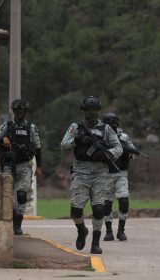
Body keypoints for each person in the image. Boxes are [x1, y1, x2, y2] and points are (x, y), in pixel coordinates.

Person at [60, 96, 122, 254]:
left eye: (94, 110)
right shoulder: (76, 127)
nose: (91, 113)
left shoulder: (106, 129)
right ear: (84, 110)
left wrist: (107, 154)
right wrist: (78, 140)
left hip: (100, 174)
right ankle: (82, 230)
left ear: (98, 110)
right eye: (88, 109)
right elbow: (63, 144)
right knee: (75, 211)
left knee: (99, 209)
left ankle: (95, 242)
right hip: (80, 173)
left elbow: (118, 147)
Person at [0, 99, 42, 235]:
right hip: (8, 166)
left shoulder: (31, 128)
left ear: (25, 112)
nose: (19, 113)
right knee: (6, 195)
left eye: (21, 111)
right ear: (14, 111)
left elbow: (38, 147)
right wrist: (2, 140)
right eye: (17, 111)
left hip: (24, 165)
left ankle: (17, 225)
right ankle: (7, 221)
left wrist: (39, 166)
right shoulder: (7, 126)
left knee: (22, 195)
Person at [102, 113, 135, 241]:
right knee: (107, 203)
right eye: (110, 125)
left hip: (121, 174)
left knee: (124, 201)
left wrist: (125, 150)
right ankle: (109, 231)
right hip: (105, 174)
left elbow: (134, 153)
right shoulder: (100, 137)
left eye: (114, 124)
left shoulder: (124, 137)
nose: (113, 127)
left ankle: (121, 230)